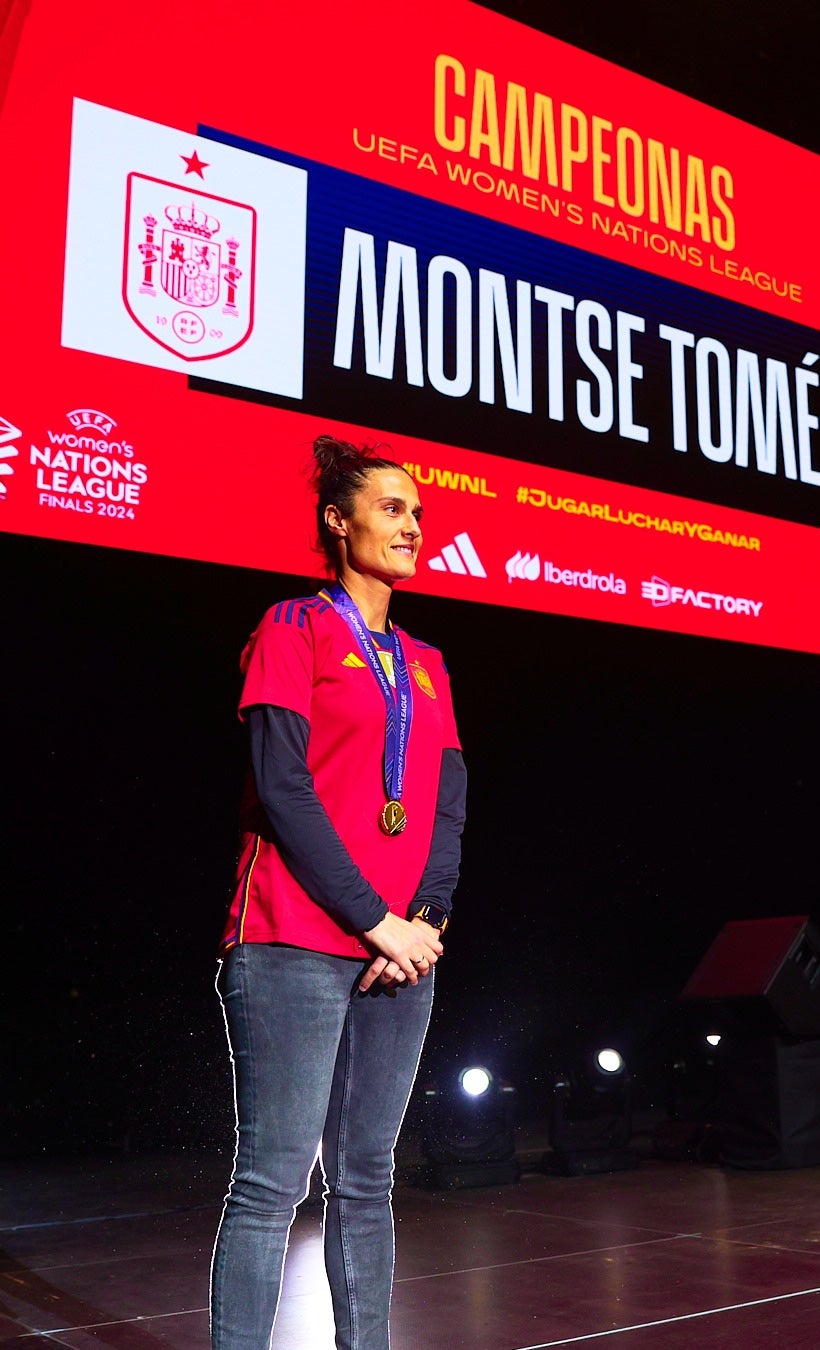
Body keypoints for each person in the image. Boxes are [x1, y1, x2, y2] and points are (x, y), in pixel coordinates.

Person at [210, 436, 466, 1348]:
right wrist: (376, 921)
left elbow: (446, 806)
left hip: (402, 953)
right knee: (273, 1178)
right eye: (392, 509)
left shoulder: (429, 663)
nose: (411, 526)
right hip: (291, 939)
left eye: (418, 513)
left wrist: (424, 921)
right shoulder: (293, 628)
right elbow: (282, 788)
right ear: (338, 519)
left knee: (367, 1177)